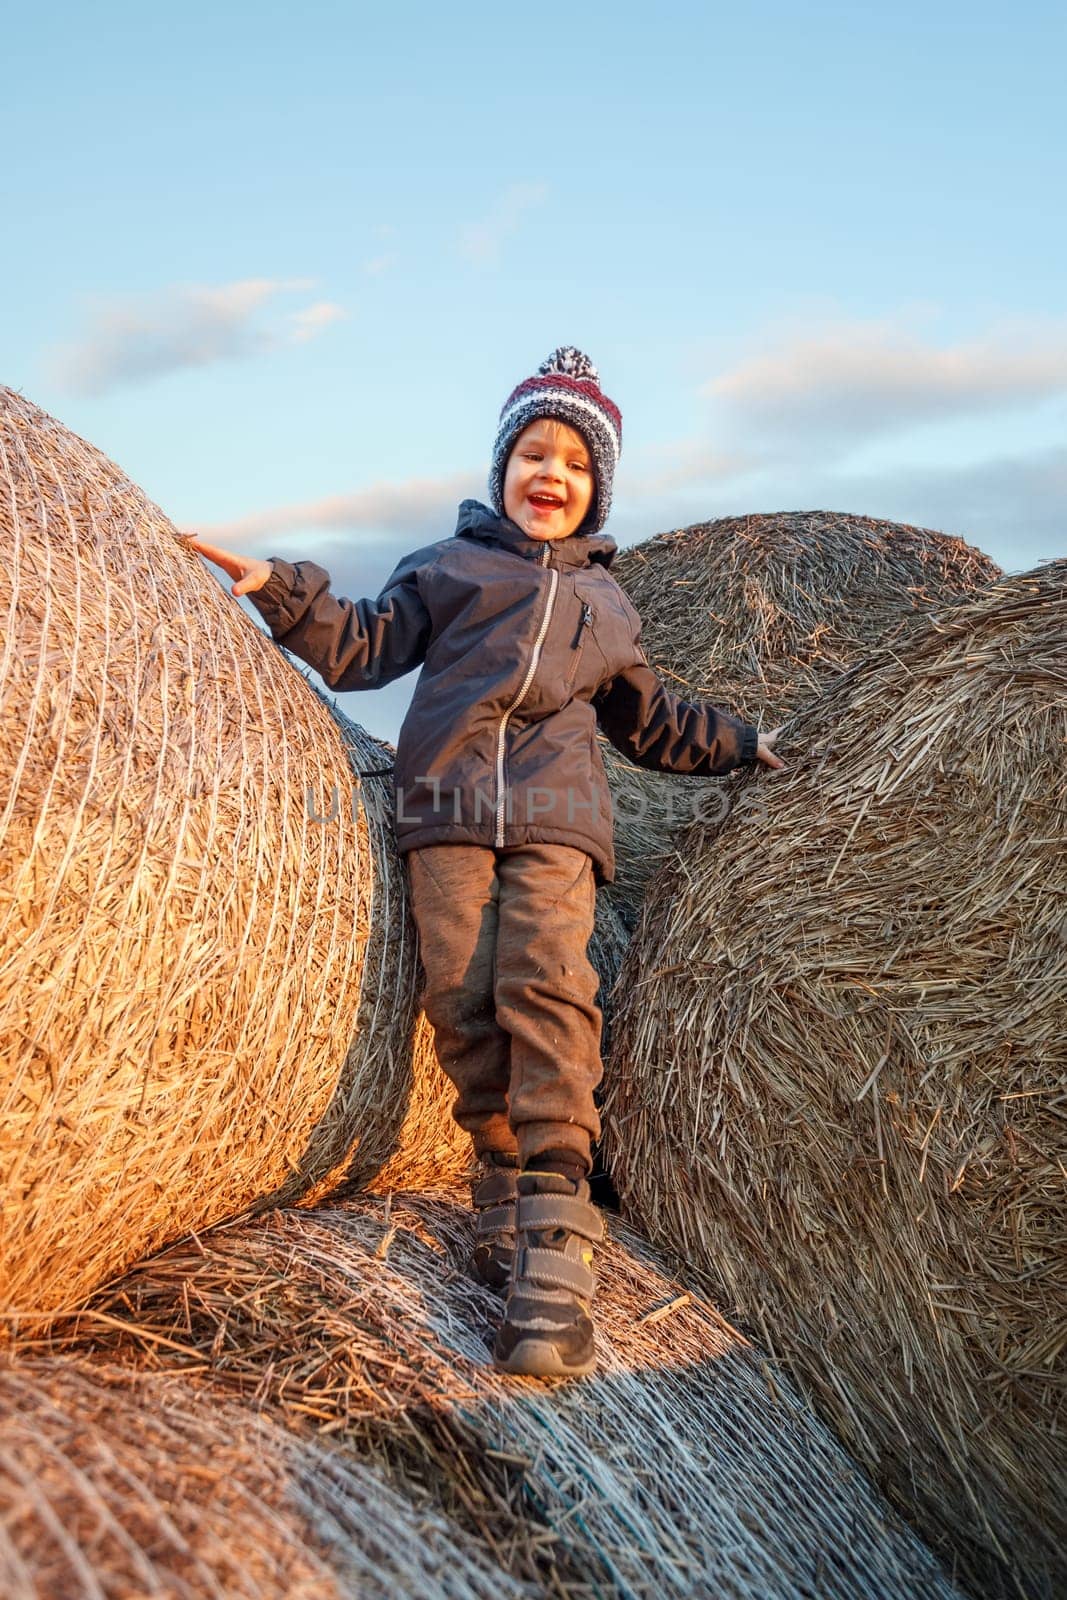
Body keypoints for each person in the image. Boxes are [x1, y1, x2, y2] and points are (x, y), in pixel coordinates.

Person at [186, 346, 785, 1380]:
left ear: (597, 488)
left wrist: (739, 742)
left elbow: (652, 722)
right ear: (502, 465)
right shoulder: (448, 566)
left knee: (546, 988)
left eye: (574, 463)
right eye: (532, 453)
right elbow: (365, 648)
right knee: (460, 999)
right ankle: (502, 1178)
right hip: (445, 810)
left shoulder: (611, 606)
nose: (550, 474)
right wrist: (279, 590)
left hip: (557, 821)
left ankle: (558, 1230)